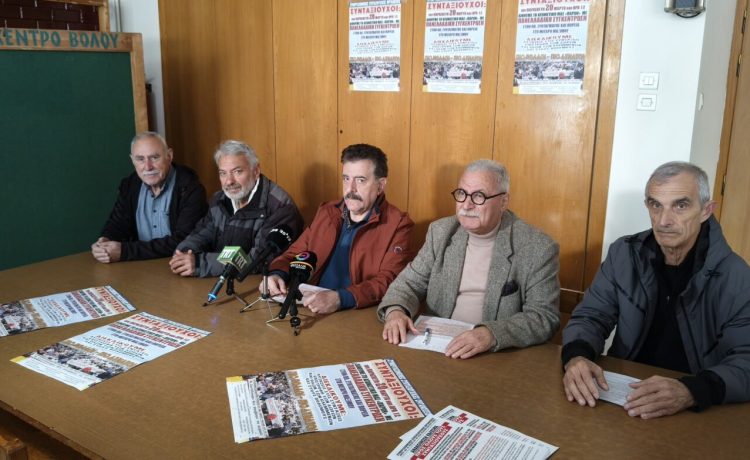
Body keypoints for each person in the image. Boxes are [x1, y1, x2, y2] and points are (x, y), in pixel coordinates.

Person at [561, 161, 750, 419]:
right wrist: (577, 356)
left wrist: (692, 390)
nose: (663, 221)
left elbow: (746, 359)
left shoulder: (737, 276)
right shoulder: (623, 254)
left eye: (680, 206)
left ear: (706, 210)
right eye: (655, 205)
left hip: (696, 407)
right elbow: (591, 316)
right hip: (623, 394)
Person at [377, 159, 560, 359]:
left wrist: (491, 334)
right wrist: (396, 312)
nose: (466, 205)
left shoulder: (537, 247)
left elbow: (543, 317)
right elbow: (407, 284)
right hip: (435, 348)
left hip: (494, 355)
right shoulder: (441, 232)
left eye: (479, 196)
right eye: (462, 194)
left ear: (503, 202)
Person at [262, 144, 414, 313]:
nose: (350, 189)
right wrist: (277, 274)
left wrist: (341, 298)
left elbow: (389, 281)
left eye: (360, 180)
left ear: (381, 185)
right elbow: (294, 254)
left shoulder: (398, 224)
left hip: (354, 313)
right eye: (346, 178)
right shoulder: (327, 212)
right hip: (309, 306)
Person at [169, 140, 303, 277]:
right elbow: (199, 235)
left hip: (255, 284)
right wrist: (183, 254)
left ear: (256, 171)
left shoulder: (280, 206)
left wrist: (200, 263)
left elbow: (259, 261)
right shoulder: (219, 199)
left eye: (237, 172)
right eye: (223, 173)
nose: (229, 181)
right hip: (218, 281)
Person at [91, 132, 207, 263]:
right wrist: (105, 243)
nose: (148, 166)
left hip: (178, 265)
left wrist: (126, 251)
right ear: (132, 160)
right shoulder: (129, 186)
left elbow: (186, 241)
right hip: (140, 267)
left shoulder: (192, 189)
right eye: (140, 159)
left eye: (155, 157)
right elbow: (117, 224)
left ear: (169, 156)